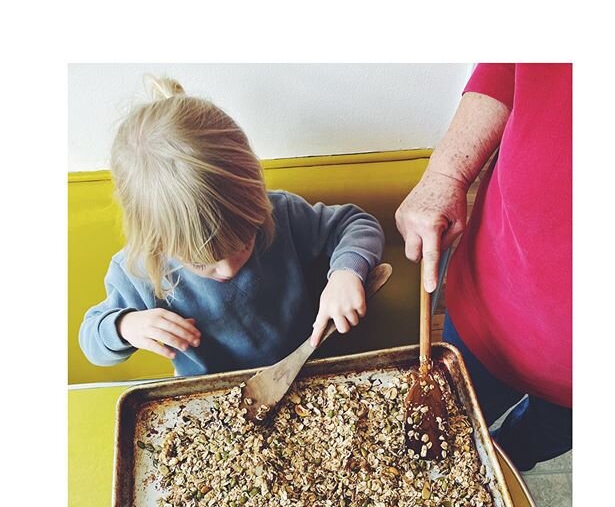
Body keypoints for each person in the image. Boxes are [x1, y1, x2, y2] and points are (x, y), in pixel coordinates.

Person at [80, 76, 384, 377]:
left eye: (243, 245)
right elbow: (91, 339)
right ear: (156, 240)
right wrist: (124, 327)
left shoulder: (281, 214)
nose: (227, 270)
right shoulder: (139, 270)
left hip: (308, 369)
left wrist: (347, 272)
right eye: (201, 263)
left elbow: (356, 224)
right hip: (210, 396)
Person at [395, 63, 571, 471]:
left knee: (522, 448)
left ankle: (496, 463)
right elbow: (510, 63)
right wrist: (446, 173)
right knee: (443, 419)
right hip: (490, 302)